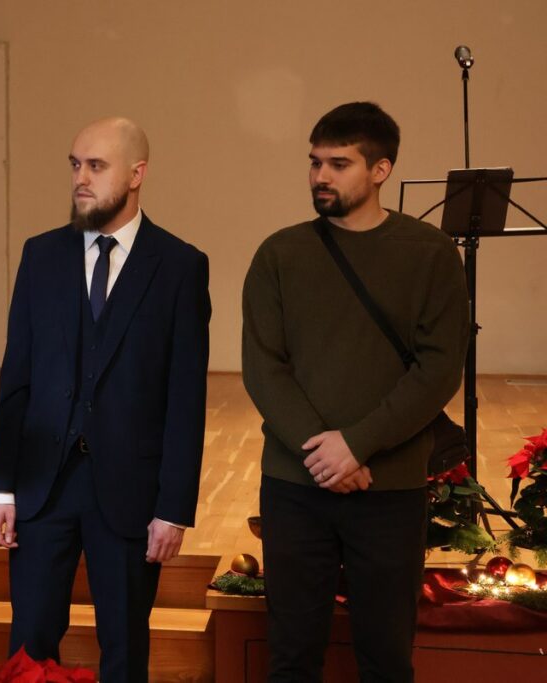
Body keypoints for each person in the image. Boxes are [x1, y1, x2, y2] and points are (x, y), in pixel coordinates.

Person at [242, 102, 469, 682]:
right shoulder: (279, 254)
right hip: (295, 485)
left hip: (390, 490)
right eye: (315, 162)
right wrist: (324, 453)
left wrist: (357, 444)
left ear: (381, 169)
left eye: (339, 164)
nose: (320, 176)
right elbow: (264, 368)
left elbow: (440, 368)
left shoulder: (430, 252)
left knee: (387, 659)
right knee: (291, 658)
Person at [0, 117, 210, 682]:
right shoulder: (41, 256)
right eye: (75, 165)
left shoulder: (180, 267)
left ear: (137, 174)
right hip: (42, 487)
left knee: (125, 650)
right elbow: (17, 378)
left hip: (132, 491)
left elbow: (185, 397)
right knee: (28, 646)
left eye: (96, 166)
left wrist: (173, 508)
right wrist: (1, 487)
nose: (80, 178)